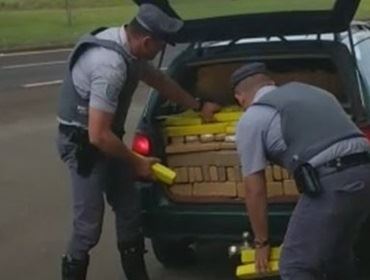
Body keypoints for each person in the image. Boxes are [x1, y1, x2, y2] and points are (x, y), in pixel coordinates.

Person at [56, 3, 220, 280]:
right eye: (159, 47)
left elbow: (158, 80)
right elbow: (98, 135)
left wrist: (198, 105)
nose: (159, 53)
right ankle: (73, 269)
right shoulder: (109, 66)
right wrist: (138, 162)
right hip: (84, 145)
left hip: (109, 140)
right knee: (88, 227)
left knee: (130, 212)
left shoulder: (129, 48)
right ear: (146, 41)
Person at [231, 62, 370, 279]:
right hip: (365, 172)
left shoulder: (252, 118)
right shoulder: (317, 93)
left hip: (332, 180)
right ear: (272, 84)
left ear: (239, 97)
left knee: (295, 266)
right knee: (336, 256)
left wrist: (262, 242)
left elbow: (254, 189)